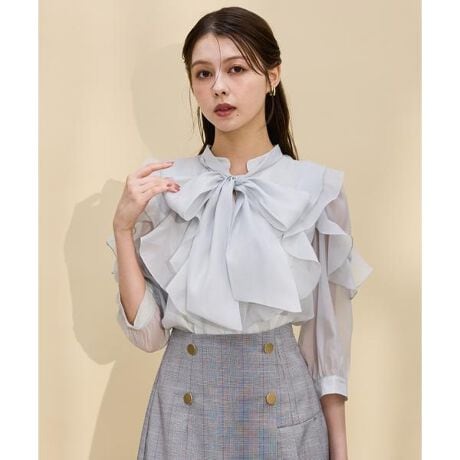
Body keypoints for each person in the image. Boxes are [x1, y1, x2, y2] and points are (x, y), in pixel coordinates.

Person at [106, 6, 373, 460]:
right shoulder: (166, 188)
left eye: (236, 69)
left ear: (272, 76)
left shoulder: (314, 189)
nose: (219, 87)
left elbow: (325, 337)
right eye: (203, 74)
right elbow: (148, 336)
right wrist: (123, 228)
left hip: (283, 420)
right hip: (183, 419)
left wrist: (340, 450)